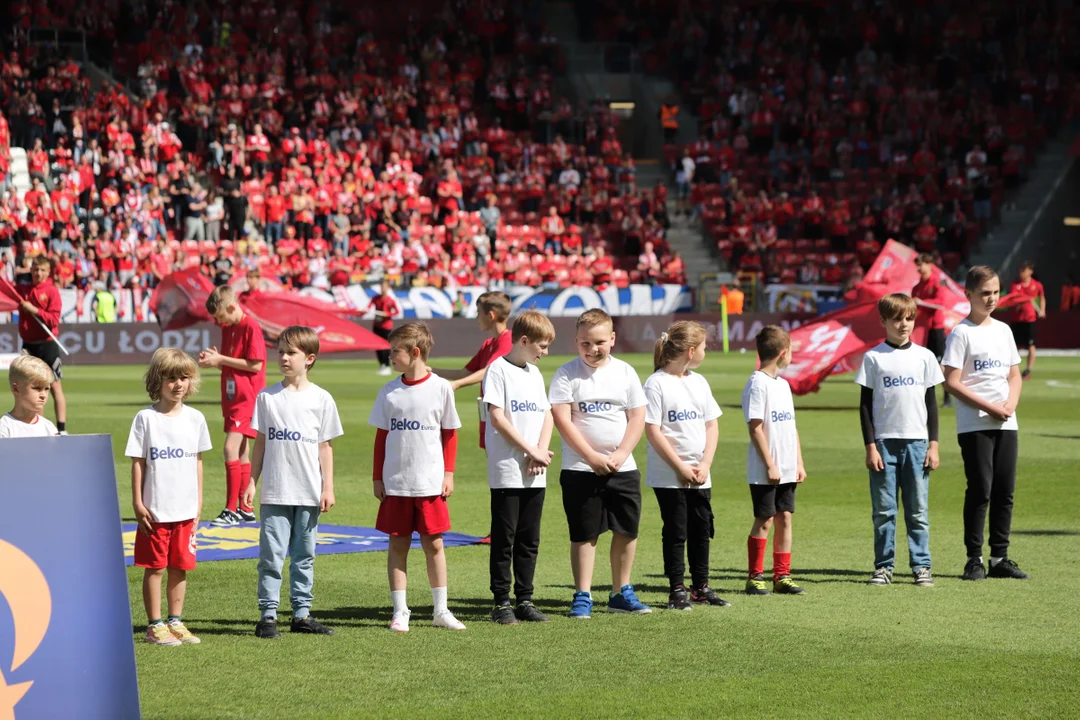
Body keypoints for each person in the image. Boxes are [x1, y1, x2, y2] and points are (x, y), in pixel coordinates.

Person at [549, 309, 651, 618]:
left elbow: (637, 417)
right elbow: (562, 419)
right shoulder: (566, 374)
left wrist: (621, 453)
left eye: (600, 343)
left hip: (624, 466)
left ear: (613, 339)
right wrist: (591, 457)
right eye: (587, 344)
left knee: (627, 530)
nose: (594, 349)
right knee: (585, 533)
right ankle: (583, 594)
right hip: (580, 468)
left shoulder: (625, 372)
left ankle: (621, 592)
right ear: (576, 341)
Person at [243, 326, 344, 638]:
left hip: (308, 490)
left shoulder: (322, 399)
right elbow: (260, 443)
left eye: (291, 353)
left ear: (309, 359)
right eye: (280, 352)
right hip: (275, 489)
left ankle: (301, 614)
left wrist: (328, 487)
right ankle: (268, 616)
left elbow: (324, 447)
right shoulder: (267, 397)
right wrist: (251, 481)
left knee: (304, 556)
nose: (284, 358)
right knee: (271, 555)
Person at [369, 322, 466, 632]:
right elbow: (381, 438)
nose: (390, 356)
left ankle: (440, 610)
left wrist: (449, 473)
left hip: (430, 483)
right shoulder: (389, 391)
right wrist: (377, 477)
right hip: (396, 482)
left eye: (394, 351)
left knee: (434, 545)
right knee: (397, 545)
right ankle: (400, 611)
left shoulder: (440, 388)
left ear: (414, 352)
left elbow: (449, 434)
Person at [942, 266, 1028, 581]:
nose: (991, 298)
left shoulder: (1004, 330)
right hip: (974, 423)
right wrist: (989, 406)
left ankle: (999, 558)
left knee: (1005, 490)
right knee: (981, 490)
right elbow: (951, 381)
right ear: (968, 295)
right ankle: (974, 559)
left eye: (995, 292)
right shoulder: (961, 332)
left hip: (1006, 421)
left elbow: (1014, 375)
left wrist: (1010, 403)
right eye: (984, 293)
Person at [855, 294, 944, 588]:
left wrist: (934, 444)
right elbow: (865, 406)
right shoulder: (873, 357)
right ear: (883, 321)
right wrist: (870, 446)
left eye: (909, 318)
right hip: (884, 446)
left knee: (918, 511)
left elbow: (932, 404)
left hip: (917, 444)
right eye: (896, 319)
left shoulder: (925, 357)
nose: (903, 324)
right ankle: (883, 567)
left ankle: (921, 566)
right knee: (884, 511)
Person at [126, 348, 212, 646]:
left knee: (180, 565)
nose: (178, 384)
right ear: (157, 380)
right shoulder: (145, 419)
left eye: (184, 378)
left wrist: (199, 502)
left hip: (186, 509)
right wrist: (137, 502)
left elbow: (197, 461)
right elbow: (138, 462)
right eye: (171, 378)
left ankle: (176, 621)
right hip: (156, 509)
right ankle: (154, 625)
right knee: (156, 566)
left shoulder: (196, 419)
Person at [644, 321, 730, 610]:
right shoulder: (656, 383)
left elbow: (712, 425)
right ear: (691, 350)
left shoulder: (699, 382)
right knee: (676, 529)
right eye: (704, 347)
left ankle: (701, 585)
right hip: (669, 475)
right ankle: (677, 589)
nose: (707, 351)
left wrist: (705, 462)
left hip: (700, 473)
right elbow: (653, 430)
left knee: (702, 528)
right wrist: (680, 467)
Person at [482, 311, 556, 625]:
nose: (545, 352)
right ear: (523, 340)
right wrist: (530, 450)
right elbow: (497, 418)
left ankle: (525, 599)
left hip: (534, 469)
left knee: (529, 538)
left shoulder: (535, 375)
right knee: (504, 538)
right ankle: (502, 602)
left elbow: (547, 414)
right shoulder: (497, 370)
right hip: (508, 467)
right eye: (542, 345)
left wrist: (540, 450)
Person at [741, 325, 807, 596]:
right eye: (790, 351)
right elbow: (755, 426)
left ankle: (782, 576)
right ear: (783, 353)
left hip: (788, 467)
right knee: (765, 518)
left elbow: (791, 427)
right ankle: (755, 577)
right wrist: (769, 463)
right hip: (765, 468)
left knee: (785, 517)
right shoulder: (758, 383)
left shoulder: (784, 385)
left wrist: (798, 462)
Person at [199, 285, 267, 527]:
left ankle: (231, 509)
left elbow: (255, 364)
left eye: (220, 316)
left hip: (247, 398)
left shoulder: (251, 326)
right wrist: (215, 361)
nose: (218, 322)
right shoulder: (229, 328)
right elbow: (235, 363)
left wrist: (221, 360)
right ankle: (245, 508)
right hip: (232, 397)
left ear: (230, 306)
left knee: (230, 449)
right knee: (241, 452)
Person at [430, 290, 513, 448]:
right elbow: (464, 373)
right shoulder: (488, 344)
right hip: (489, 412)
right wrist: (430, 370)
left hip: (503, 414)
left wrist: (456, 385)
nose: (476, 318)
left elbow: (490, 370)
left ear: (491, 315)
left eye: (478, 313)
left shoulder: (508, 340)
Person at [15, 256, 66, 433]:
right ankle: (38, 428)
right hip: (28, 345)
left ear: (48, 272)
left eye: (42, 270)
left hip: (47, 344)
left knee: (54, 386)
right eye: (35, 269)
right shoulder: (23, 290)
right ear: (31, 270)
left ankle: (62, 428)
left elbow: (53, 320)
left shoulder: (51, 291)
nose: (38, 273)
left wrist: (34, 310)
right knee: (32, 388)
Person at [912, 253, 952, 407]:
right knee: (924, 365)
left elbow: (941, 304)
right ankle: (927, 399)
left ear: (930, 265)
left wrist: (922, 302)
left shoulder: (937, 283)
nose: (919, 268)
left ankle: (947, 396)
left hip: (936, 328)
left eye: (921, 264)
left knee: (940, 365)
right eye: (918, 265)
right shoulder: (916, 287)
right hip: (922, 331)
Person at [0, 354, 59, 437]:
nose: (43, 395)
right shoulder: (5, 427)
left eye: (46, 389)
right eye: (37, 388)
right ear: (16, 389)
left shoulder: (49, 428)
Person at [1008, 261, 1046, 379]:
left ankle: (1028, 370)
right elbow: (1014, 298)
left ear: (1030, 271)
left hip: (1030, 319)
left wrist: (1042, 310)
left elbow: (1042, 297)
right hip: (1017, 319)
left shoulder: (1037, 285)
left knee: (1031, 345)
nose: (1021, 272)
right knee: (1013, 346)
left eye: (1023, 270)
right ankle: (1013, 371)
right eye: (1020, 270)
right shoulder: (1015, 285)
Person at [367, 279, 399, 376]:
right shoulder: (376, 298)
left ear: (388, 288)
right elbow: (368, 307)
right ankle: (381, 365)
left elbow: (396, 311)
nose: (382, 289)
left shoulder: (390, 300)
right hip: (377, 325)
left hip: (387, 326)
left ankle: (387, 365)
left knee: (386, 346)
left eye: (384, 286)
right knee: (377, 346)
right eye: (381, 287)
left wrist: (387, 314)